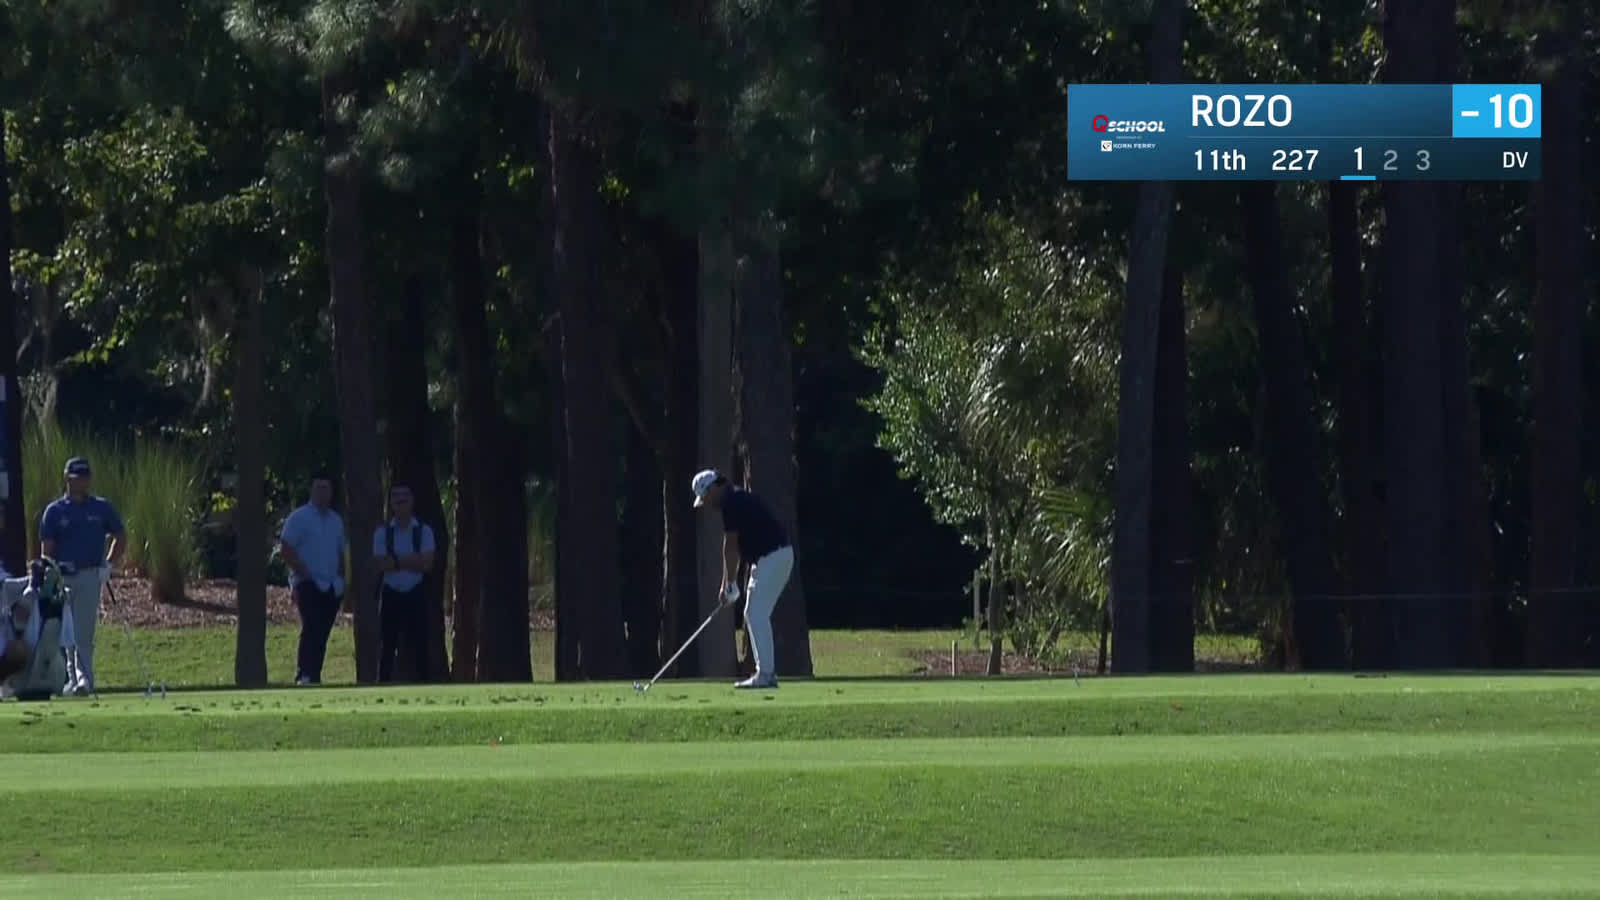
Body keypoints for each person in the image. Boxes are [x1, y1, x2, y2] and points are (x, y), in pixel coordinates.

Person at [691, 468, 795, 689]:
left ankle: (766, 674)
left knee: (756, 613)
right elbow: (734, 549)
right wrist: (728, 584)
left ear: (713, 489)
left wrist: (728, 584)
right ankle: (765, 673)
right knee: (753, 613)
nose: (706, 504)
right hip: (770, 558)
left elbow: (730, 547)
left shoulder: (732, 502)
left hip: (774, 557)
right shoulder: (734, 499)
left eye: (705, 497)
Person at [38, 456, 125, 696]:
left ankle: (85, 680)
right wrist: (50, 574)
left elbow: (121, 536)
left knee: (84, 631)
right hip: (62, 577)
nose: (82, 483)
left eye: (85, 478)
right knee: (65, 632)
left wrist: (108, 564)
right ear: (67, 479)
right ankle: (70, 679)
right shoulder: (55, 511)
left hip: (90, 574)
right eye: (77, 478)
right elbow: (47, 550)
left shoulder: (100, 507)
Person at [278, 472, 346, 685]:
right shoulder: (299, 518)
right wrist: (303, 572)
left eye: (326, 489)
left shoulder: (336, 521)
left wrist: (342, 580)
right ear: (312, 491)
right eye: (319, 489)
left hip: (331, 585)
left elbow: (341, 552)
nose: (323, 494)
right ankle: (304, 674)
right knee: (311, 627)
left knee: (323, 631)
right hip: (307, 582)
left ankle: (314, 674)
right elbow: (286, 548)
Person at [372, 482, 436, 683]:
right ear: (391, 504)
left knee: (421, 643)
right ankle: (382, 684)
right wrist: (412, 560)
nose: (401, 505)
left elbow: (427, 563)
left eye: (405, 500)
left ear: (412, 502)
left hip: (416, 591)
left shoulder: (424, 531)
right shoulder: (382, 533)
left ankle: (425, 684)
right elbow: (382, 564)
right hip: (391, 592)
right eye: (397, 500)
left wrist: (397, 562)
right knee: (387, 645)